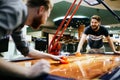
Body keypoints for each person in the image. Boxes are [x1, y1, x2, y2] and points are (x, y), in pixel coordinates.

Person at [0, 0, 62, 79]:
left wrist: (51, 56)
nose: (45, 21)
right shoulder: (17, 10)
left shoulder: (19, 24)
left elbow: (27, 51)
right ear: (41, 10)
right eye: (47, 16)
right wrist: (28, 72)